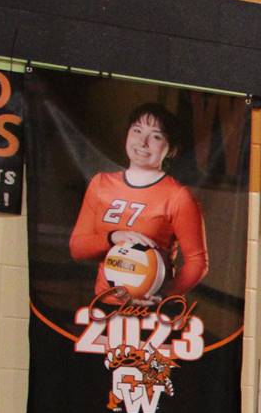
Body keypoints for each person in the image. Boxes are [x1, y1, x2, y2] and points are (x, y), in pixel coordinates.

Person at [67, 102, 209, 304]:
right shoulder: (101, 183)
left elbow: (198, 262)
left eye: (156, 136)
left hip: (151, 314)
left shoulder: (178, 196)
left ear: (171, 150)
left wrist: (163, 295)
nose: (143, 142)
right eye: (137, 130)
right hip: (105, 307)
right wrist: (113, 237)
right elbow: (77, 248)